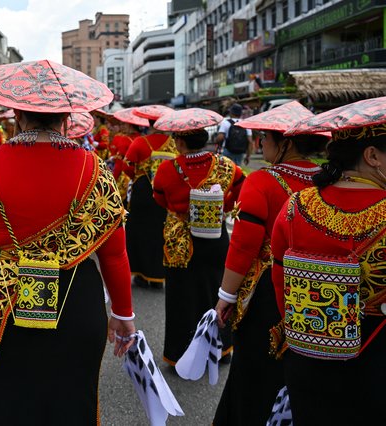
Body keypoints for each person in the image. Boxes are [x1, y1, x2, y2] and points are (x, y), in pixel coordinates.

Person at [0, 60, 135, 425]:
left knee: (8, 402)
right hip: (77, 301)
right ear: (67, 116)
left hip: (5, 300)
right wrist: (123, 314)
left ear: (17, 114)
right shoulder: (97, 170)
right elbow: (114, 254)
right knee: (72, 403)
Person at [271, 100, 386, 425]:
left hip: (307, 353)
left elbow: (280, 280)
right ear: (372, 156)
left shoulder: (296, 205)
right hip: (375, 357)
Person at [212, 102, 327, 425]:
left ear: (286, 142)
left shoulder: (262, 181)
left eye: (265, 138)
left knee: (257, 367)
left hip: (266, 289)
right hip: (314, 290)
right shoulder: (327, 181)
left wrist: (226, 296)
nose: (261, 144)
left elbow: (244, 245)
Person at [152, 110, 245, 367]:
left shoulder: (167, 169)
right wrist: (222, 208)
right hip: (215, 238)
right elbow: (241, 192)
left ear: (180, 142)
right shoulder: (227, 166)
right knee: (216, 292)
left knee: (182, 297)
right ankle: (222, 348)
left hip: (180, 241)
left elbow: (159, 198)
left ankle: (180, 352)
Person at [124, 105, 177, 289]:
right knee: (159, 232)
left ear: (148, 123)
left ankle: (140, 273)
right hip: (164, 192)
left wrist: (138, 176)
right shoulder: (172, 144)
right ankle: (158, 274)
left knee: (138, 231)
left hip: (142, 191)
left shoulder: (140, 142)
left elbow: (127, 167)